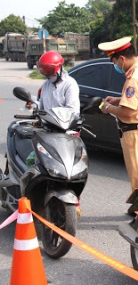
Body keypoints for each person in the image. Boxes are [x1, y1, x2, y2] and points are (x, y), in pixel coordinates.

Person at [98, 37, 138, 202]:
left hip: (136, 134)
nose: (116, 66)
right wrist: (118, 99)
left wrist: (108, 108)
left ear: (122, 59)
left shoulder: (134, 79)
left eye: (115, 62)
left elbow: (128, 112)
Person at [28, 51, 82, 216]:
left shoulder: (70, 84)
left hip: (68, 133)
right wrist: (35, 106)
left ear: (59, 69)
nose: (48, 76)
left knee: (72, 171)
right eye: (45, 74)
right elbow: (43, 106)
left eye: (50, 73)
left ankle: (76, 203)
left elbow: (72, 110)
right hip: (48, 133)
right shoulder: (46, 85)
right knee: (36, 164)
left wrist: (52, 115)